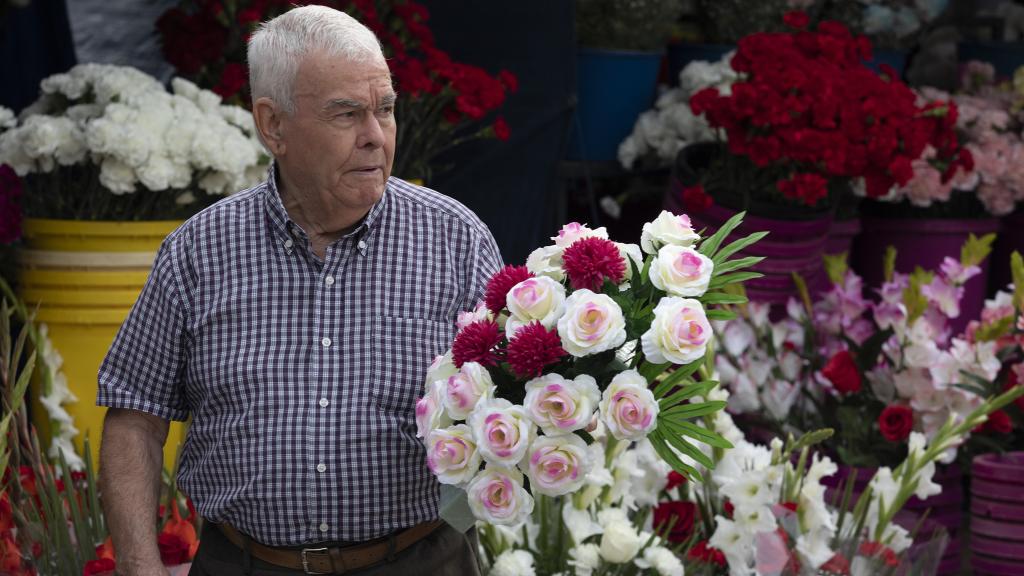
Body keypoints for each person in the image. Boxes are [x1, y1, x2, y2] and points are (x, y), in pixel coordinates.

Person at [96, 5, 502, 575]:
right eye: (346, 114)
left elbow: (519, 398)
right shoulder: (199, 251)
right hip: (242, 563)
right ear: (273, 125)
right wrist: (139, 568)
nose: (373, 137)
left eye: (384, 110)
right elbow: (134, 411)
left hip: (417, 559)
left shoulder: (455, 240)